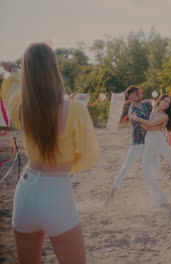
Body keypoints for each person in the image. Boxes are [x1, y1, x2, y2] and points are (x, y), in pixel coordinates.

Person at [1, 43, 99, 264]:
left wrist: (15, 71)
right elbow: (88, 154)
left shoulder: (21, 107)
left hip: (25, 191)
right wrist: (67, 165)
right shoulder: (74, 110)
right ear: (54, 69)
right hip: (56, 191)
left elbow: (14, 89)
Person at [106, 86, 165, 203]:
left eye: (139, 93)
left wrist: (154, 105)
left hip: (149, 143)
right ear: (130, 96)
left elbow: (152, 101)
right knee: (125, 169)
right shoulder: (132, 112)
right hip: (137, 144)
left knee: (155, 170)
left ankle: (157, 199)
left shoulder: (144, 104)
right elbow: (146, 127)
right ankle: (110, 196)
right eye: (137, 94)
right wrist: (158, 124)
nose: (139, 95)